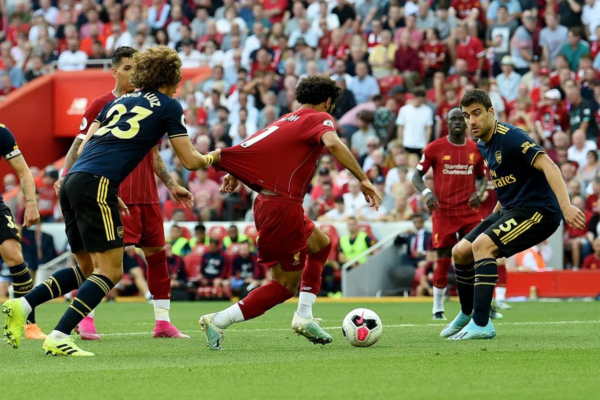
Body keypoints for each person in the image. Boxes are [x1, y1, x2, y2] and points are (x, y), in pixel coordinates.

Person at [3, 46, 220, 356]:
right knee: (111, 271)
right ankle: (60, 334)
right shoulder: (169, 105)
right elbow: (190, 161)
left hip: (75, 180)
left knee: (87, 267)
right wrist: (217, 156)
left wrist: (105, 188)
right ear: (173, 76)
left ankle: (22, 303)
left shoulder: (118, 102)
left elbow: (89, 143)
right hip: (97, 184)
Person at [198, 75, 381, 350]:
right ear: (328, 101)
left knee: (321, 244)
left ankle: (304, 316)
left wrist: (234, 172)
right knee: (284, 286)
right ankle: (218, 320)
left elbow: (255, 146)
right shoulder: (320, 118)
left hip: (271, 203)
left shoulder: (285, 119)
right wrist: (363, 178)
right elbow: (332, 143)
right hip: (282, 207)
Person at [53, 47, 191, 341]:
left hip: (147, 195)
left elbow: (153, 152)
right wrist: (65, 176)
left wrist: (170, 184)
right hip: (112, 191)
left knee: (157, 256)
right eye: (127, 68)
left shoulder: (155, 104)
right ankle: (85, 320)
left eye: (136, 68)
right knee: (99, 265)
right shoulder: (102, 104)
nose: (133, 74)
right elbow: (80, 145)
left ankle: (163, 322)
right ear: (114, 71)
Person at [443, 89, 585, 340]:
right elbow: (507, 185)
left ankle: (482, 323)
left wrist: (566, 206)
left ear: (490, 112)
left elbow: (549, 165)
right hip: (510, 208)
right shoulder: (483, 144)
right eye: (466, 116)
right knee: (460, 252)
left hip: (539, 211)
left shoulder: (511, 137)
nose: (471, 121)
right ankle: (466, 313)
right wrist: (493, 218)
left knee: (483, 246)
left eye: (476, 114)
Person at [412, 107, 487, 320]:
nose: (456, 122)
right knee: (443, 260)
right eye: (452, 119)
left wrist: (479, 192)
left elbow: (482, 178)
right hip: (443, 212)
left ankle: (478, 305)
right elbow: (416, 176)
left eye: (460, 118)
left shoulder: (475, 149)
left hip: (469, 212)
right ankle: (438, 308)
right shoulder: (435, 148)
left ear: (465, 122)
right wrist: (427, 193)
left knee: (475, 256)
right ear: (446, 122)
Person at [0, 124, 45, 345]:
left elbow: (24, 170)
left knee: (15, 257)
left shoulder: (1, 132)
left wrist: (31, 203)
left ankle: (29, 325)